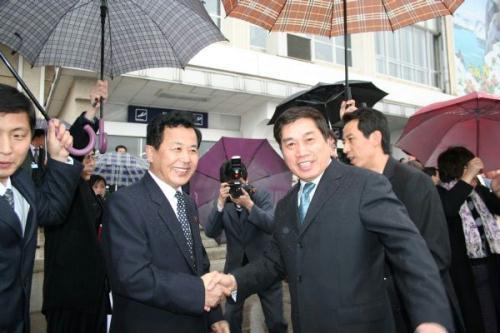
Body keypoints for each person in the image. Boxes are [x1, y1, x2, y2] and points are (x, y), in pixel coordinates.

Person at [209, 106, 454, 333]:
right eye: (290, 144)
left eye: (309, 140)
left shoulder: (365, 184)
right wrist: (232, 281)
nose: (301, 152)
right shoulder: (285, 206)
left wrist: (430, 318)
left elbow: (409, 250)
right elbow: (274, 262)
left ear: (329, 143)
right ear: (282, 151)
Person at [102, 111, 230, 333]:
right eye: (177, 148)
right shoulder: (124, 203)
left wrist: (214, 315)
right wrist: (199, 294)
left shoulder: (187, 203)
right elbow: (132, 277)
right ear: (151, 153)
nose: (187, 158)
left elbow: (198, 262)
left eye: (193, 150)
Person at [342, 107, 464, 333]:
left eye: (350, 139)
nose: (345, 148)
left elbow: (436, 255)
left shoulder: (414, 183)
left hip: (418, 311)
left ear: (376, 138)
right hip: (380, 311)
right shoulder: (358, 187)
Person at [0, 83, 81, 333]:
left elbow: (52, 211)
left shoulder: (20, 181)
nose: (6, 149)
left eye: (18, 135)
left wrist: (57, 157)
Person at [42, 80, 110, 333]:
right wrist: (91, 111)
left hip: (93, 291)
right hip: (67, 296)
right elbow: (77, 148)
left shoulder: (89, 191)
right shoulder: (62, 186)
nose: (88, 160)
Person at [205, 159, 287, 333]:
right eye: (231, 184)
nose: (236, 188)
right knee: (231, 317)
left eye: (239, 183)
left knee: (276, 320)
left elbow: (271, 225)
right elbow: (211, 232)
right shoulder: (224, 202)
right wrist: (219, 203)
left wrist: (249, 205)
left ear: (247, 179)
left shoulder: (261, 195)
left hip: (265, 268)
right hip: (235, 271)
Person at [437, 146, 500, 333]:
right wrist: (466, 179)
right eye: (469, 167)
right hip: (464, 267)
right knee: (477, 315)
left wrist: (497, 192)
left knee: (494, 309)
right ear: (458, 168)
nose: (476, 172)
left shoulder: (478, 190)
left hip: (490, 260)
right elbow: (449, 208)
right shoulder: (440, 193)